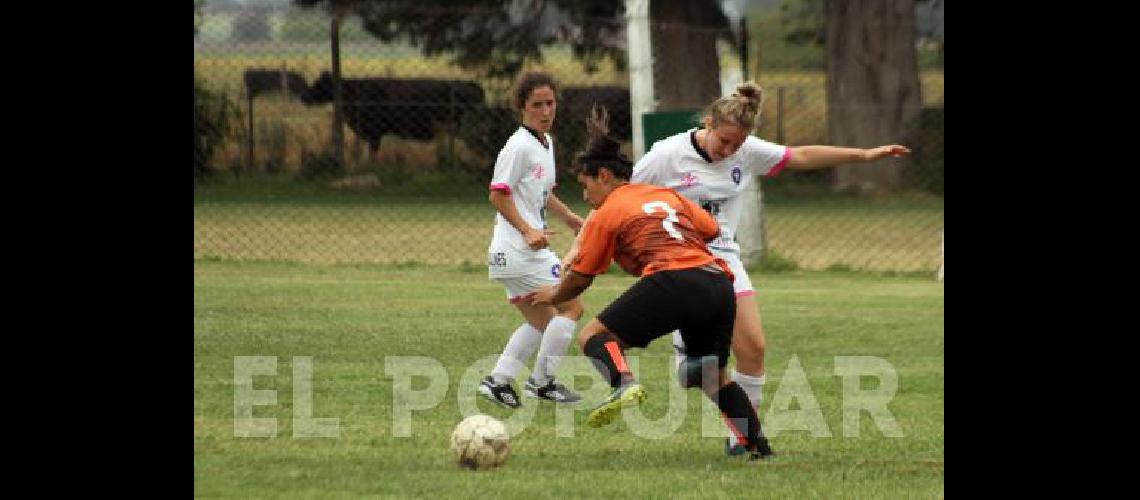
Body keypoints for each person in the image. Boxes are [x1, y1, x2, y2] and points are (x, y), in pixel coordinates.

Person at [564, 82, 911, 454]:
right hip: (679, 258)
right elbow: (616, 203)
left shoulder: (745, 151)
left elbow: (801, 156)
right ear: (708, 123)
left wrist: (864, 156)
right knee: (704, 369)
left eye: (737, 145)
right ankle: (697, 370)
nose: (729, 151)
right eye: (724, 141)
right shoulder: (667, 155)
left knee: (754, 348)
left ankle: (740, 438)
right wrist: (576, 248)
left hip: (723, 260)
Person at [530, 107, 775, 460]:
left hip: (673, 280)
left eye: (585, 188)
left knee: (593, 338)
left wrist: (553, 294)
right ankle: (760, 449)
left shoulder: (609, 211)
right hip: (718, 283)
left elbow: (580, 279)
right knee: (708, 374)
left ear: (603, 176)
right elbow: (709, 229)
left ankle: (624, 384)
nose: (586, 198)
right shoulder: (667, 196)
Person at [480, 72, 586, 408]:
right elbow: (498, 195)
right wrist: (528, 230)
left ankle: (498, 381)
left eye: (550, 103)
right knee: (571, 305)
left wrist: (569, 217)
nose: (545, 111)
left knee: (543, 322)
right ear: (522, 107)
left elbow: (542, 193)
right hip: (519, 250)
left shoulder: (545, 142)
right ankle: (542, 383)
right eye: (537, 104)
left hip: (514, 253)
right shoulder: (519, 146)